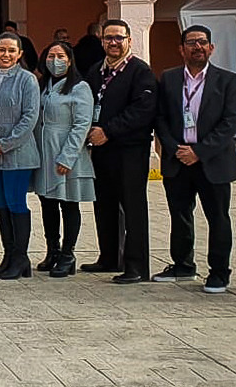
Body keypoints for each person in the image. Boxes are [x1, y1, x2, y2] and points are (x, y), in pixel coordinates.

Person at [153, 25, 236, 294]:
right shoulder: (169, 78)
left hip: (212, 161)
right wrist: (174, 149)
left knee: (218, 218)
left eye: (202, 42)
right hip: (178, 159)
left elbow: (230, 123)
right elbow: (160, 117)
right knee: (180, 215)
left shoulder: (227, 80)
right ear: (181, 49)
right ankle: (182, 265)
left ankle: (219, 272)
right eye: (191, 42)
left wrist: (199, 152)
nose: (197, 47)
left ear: (211, 48)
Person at [82, 19, 157, 284]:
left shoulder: (140, 72)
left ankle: (136, 266)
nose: (113, 43)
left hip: (130, 150)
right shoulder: (95, 71)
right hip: (101, 150)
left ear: (129, 41)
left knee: (132, 207)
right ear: (101, 41)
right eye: (108, 38)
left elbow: (142, 111)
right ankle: (109, 257)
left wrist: (108, 131)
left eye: (119, 38)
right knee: (104, 204)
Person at [0, 32, 42, 280]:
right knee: (0, 203)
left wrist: (6, 144)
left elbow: (30, 117)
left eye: (11, 51)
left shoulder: (27, 80)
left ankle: (21, 257)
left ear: (19, 54)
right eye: (1, 50)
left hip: (18, 151)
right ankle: (8, 254)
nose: (5, 55)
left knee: (15, 202)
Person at [32, 40, 95, 278]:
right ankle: (53, 250)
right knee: (47, 203)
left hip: (67, 152)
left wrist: (67, 157)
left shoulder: (79, 88)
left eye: (60, 56)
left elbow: (81, 125)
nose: (55, 61)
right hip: (43, 152)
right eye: (51, 56)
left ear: (70, 61)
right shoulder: (42, 85)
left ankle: (68, 254)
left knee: (68, 203)